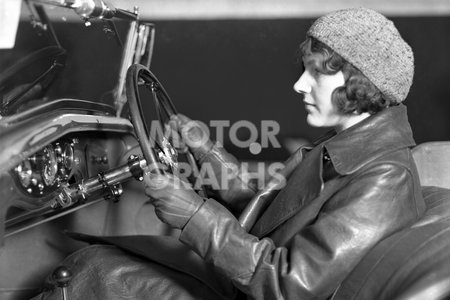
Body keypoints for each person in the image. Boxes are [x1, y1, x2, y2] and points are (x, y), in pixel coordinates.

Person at [34, 7, 425, 300]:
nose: (300, 85)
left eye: (317, 73)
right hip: (238, 280)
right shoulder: (348, 147)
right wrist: (207, 151)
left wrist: (194, 215)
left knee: (93, 271)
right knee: (96, 261)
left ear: (359, 84)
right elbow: (271, 213)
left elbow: (289, 284)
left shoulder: (384, 178)